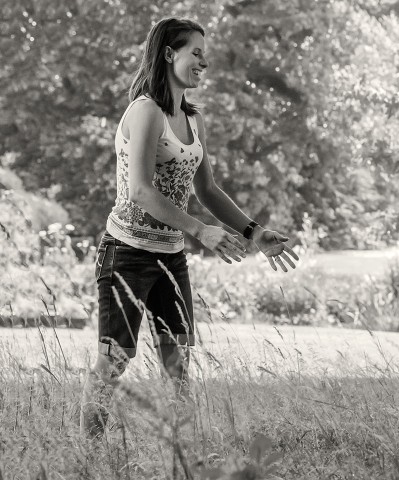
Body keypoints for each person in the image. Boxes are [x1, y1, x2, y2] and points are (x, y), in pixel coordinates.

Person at [81, 18, 301, 438]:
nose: (205, 61)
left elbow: (208, 190)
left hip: (170, 257)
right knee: (114, 361)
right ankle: (87, 457)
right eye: (196, 53)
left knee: (178, 366)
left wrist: (255, 232)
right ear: (169, 54)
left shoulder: (193, 119)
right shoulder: (146, 111)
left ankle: (183, 455)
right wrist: (201, 231)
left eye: (205, 53)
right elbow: (140, 190)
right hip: (126, 253)